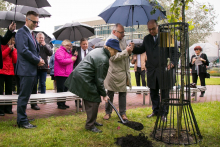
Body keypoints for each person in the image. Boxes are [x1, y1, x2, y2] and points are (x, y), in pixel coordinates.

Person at [65, 39, 122, 133]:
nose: (115, 53)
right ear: (108, 48)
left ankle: (93, 121)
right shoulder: (103, 59)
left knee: (91, 100)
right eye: (114, 51)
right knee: (94, 100)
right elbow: (99, 80)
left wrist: (102, 93)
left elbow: (97, 78)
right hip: (84, 78)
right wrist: (104, 95)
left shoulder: (98, 50)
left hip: (81, 76)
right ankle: (89, 125)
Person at [132, 20, 178, 121]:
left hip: (163, 70)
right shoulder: (147, 38)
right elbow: (141, 50)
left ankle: (164, 113)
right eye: (149, 29)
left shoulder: (165, 36)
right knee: (153, 92)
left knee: (165, 93)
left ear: (157, 26)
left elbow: (174, 52)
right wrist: (133, 48)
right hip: (152, 70)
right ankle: (155, 111)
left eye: (153, 28)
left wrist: (173, 63)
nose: (151, 31)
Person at [15, 11, 45, 129]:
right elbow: (23, 51)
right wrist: (37, 60)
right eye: (34, 22)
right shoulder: (21, 32)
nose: (36, 24)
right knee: (23, 96)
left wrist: (39, 58)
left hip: (30, 70)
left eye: (37, 22)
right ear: (26, 20)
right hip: (25, 70)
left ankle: (23, 117)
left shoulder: (31, 33)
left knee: (26, 95)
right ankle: (22, 121)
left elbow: (33, 51)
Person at [103, 23, 133, 121]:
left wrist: (130, 50)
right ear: (114, 32)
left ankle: (123, 113)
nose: (123, 34)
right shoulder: (110, 41)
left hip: (123, 71)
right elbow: (113, 57)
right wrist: (126, 52)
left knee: (123, 93)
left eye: (124, 32)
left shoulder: (123, 39)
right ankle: (108, 112)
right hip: (113, 72)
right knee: (110, 92)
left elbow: (124, 54)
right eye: (121, 32)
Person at [54, 39, 78, 109]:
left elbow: (70, 63)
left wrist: (75, 57)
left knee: (65, 89)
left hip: (67, 73)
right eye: (67, 45)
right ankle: (60, 104)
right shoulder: (59, 51)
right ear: (63, 45)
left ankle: (63, 103)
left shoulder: (69, 52)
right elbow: (61, 61)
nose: (69, 47)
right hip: (60, 74)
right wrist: (71, 59)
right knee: (61, 89)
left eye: (70, 46)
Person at [0, 32, 17, 116]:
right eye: (12, 39)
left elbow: (15, 60)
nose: (13, 41)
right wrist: (8, 49)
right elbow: (2, 56)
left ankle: (8, 108)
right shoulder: (2, 45)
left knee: (9, 91)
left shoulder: (14, 48)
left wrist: (13, 51)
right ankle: (0, 109)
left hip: (10, 72)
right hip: (1, 71)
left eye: (14, 40)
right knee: (0, 91)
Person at [73, 38, 92, 108]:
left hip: (88, 72)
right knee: (78, 88)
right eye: (83, 44)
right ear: (80, 44)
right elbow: (72, 61)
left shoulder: (91, 50)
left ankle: (86, 102)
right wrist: (75, 55)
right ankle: (77, 102)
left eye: (86, 44)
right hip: (78, 72)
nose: (85, 45)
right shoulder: (76, 50)